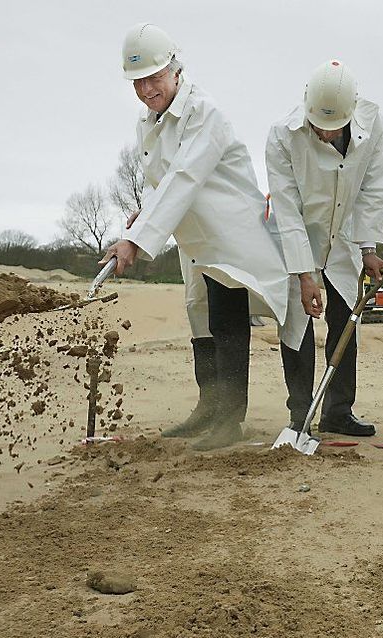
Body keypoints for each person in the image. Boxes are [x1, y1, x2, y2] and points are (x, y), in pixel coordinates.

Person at [101, 23, 292, 450]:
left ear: (174, 68)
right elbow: (160, 181)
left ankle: (230, 418)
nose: (147, 89)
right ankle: (208, 406)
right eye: (138, 82)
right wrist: (140, 217)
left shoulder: (204, 113)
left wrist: (137, 239)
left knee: (226, 316)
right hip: (192, 233)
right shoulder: (149, 122)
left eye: (154, 77)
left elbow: (186, 175)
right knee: (198, 312)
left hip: (228, 233)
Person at [267, 59, 383, 436]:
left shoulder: (373, 125)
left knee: (345, 323)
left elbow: (374, 186)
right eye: (318, 125)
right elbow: (287, 212)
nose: (323, 133)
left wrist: (368, 247)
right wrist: (305, 275)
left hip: (345, 238)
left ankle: (337, 411)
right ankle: (299, 414)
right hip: (296, 237)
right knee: (297, 327)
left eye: (332, 127)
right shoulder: (281, 136)